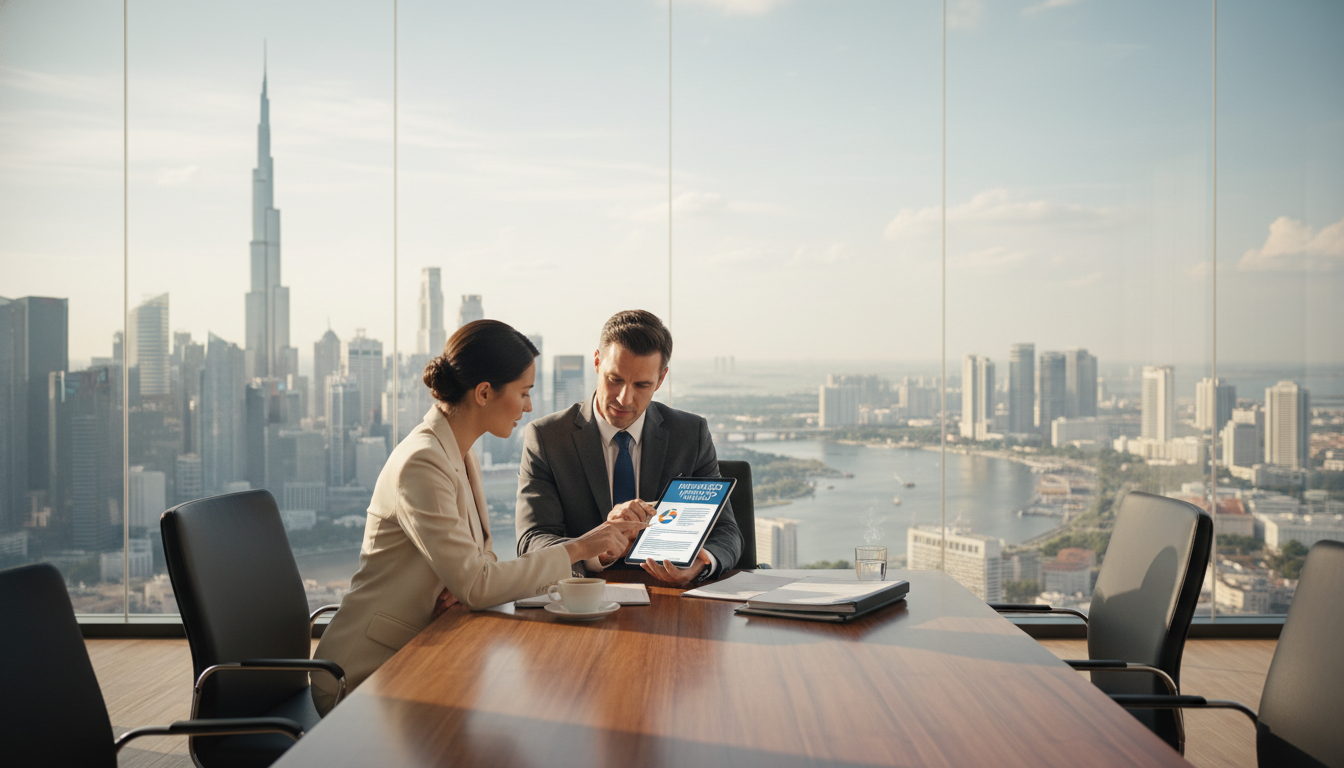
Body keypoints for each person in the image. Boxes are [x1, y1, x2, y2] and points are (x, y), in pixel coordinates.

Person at [311, 320, 640, 715]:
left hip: (428, 646)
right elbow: (479, 584)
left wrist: (466, 584)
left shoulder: (461, 455)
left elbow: (480, 570)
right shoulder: (422, 462)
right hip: (365, 670)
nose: (529, 406)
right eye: (523, 393)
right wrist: (581, 546)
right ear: (484, 392)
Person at [515, 310, 742, 585]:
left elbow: (726, 531)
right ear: (597, 363)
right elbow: (532, 540)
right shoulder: (547, 438)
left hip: (670, 601)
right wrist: (595, 549)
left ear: (660, 380)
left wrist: (701, 562)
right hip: (582, 597)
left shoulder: (690, 434)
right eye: (615, 379)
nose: (624, 398)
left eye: (642, 384)